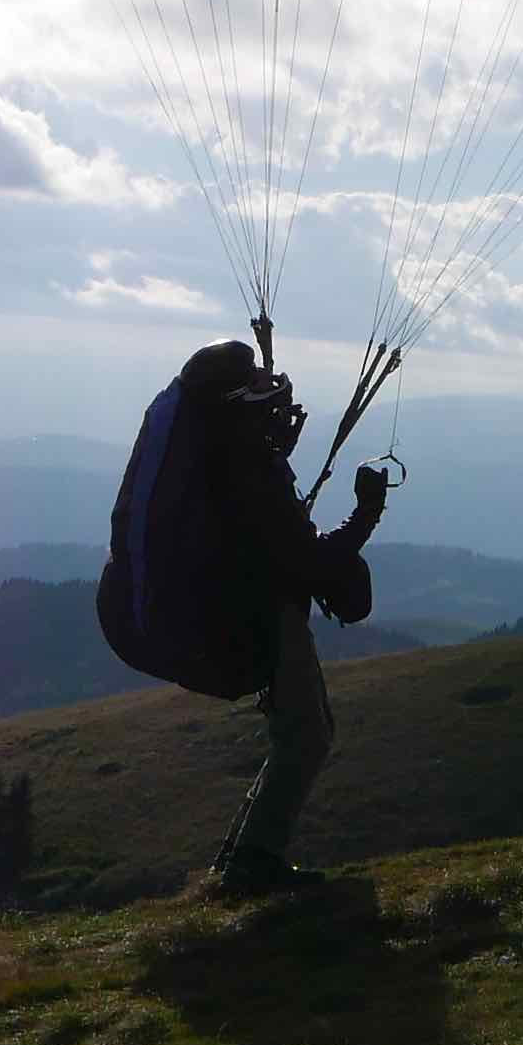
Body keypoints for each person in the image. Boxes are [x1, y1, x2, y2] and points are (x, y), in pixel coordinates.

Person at [102, 338, 392, 896]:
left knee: (302, 733)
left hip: (228, 610)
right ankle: (251, 866)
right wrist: (367, 514)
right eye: (258, 385)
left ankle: (238, 864)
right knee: (306, 734)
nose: (273, 391)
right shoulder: (244, 471)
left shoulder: (219, 456)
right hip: (255, 617)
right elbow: (309, 560)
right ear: (236, 401)